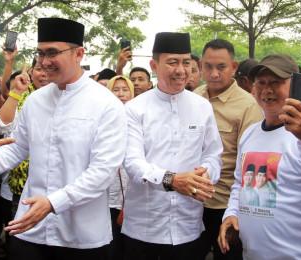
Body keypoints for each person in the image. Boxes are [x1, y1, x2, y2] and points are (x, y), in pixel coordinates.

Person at [0, 17, 127, 259]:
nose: (44, 62)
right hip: (30, 229)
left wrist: (52, 203)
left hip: (82, 237)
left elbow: (103, 172)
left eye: (52, 53)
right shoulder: (35, 100)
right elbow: (15, 150)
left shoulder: (106, 104)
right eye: (40, 53)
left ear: (79, 53)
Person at [218, 54, 301, 259]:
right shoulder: (250, 133)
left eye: (276, 82)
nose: (267, 90)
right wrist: (231, 213)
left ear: (296, 86)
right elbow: (240, 184)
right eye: (261, 83)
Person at [122, 32, 223, 260]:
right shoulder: (135, 108)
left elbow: (213, 155)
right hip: (144, 229)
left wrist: (204, 174)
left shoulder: (202, 106)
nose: (181, 70)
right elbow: (132, 162)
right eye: (172, 62)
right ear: (154, 65)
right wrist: (172, 180)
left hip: (188, 227)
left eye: (186, 62)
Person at [194, 39, 262, 260]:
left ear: (234, 67)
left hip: (225, 204)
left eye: (221, 67)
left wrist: (241, 210)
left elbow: (250, 162)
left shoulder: (248, 106)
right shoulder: (194, 97)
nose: (214, 73)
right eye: (208, 66)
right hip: (191, 200)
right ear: (201, 66)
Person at [106, 75, 134, 260]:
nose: (121, 94)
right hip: (106, 197)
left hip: (132, 199)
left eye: (125, 90)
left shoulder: (139, 119)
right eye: (116, 90)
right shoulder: (103, 119)